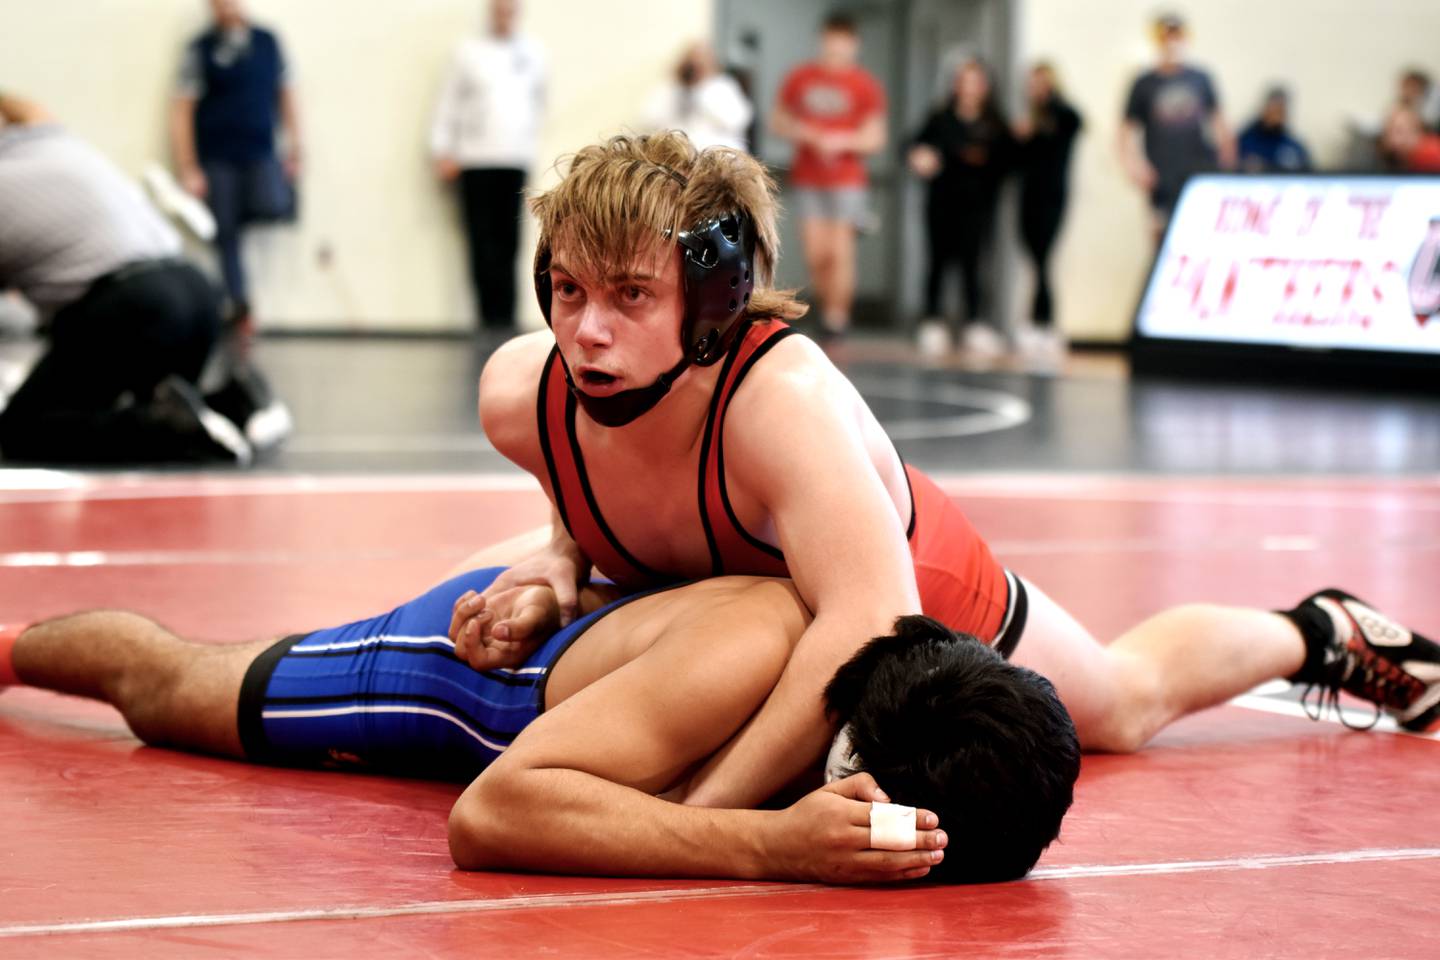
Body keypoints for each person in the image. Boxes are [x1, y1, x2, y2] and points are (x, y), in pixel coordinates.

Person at [457, 130, 1440, 818]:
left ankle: (1320, 632)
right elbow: (588, 478)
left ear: (718, 301)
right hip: (751, 592)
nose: (588, 328)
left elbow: (865, 617)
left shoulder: (779, 404)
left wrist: (709, 820)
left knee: (1123, 705)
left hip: (904, 580)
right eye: (570, 288)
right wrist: (558, 555)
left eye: (632, 294)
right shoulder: (521, 399)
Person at [0, 568, 1082, 885]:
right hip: (464, 684)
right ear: (859, 773)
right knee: (171, 688)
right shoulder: (749, 655)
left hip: (596, 682)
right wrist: (766, 844)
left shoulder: (929, 691)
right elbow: (494, 814)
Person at [0, 91, 254, 465]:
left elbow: (15, 320)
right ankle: (235, 404)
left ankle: (165, 428)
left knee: (25, 429)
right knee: (117, 395)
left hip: (135, 307)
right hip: (198, 292)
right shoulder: (52, 140)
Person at [171, 0, 302, 331]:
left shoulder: (268, 42)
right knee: (225, 234)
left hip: (260, 152)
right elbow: (182, 109)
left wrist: (296, 147)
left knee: (272, 203)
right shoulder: (200, 48)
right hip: (216, 157)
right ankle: (241, 307)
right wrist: (188, 166)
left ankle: (241, 226)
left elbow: (286, 94)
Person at [430, 0, 547, 332]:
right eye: (500, 8)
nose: (505, 14)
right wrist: (443, 150)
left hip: (513, 159)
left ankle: (506, 321)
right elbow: (448, 103)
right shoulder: (467, 52)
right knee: (481, 243)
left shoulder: (533, 54)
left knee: (510, 243)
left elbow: (538, 103)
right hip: (475, 160)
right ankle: (487, 319)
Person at [770, 13, 886, 340]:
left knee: (840, 251)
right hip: (809, 178)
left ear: (853, 45)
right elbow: (777, 121)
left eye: (842, 45)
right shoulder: (800, 78)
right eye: (830, 44)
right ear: (823, 41)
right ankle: (827, 306)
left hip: (847, 181)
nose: (836, 51)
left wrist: (842, 141)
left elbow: (875, 137)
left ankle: (838, 317)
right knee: (817, 254)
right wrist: (805, 132)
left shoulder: (865, 85)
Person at [907, 58, 1016, 358]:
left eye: (975, 81)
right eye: (963, 80)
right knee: (937, 263)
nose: (969, 88)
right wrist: (919, 156)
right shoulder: (940, 119)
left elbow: (1010, 161)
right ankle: (932, 321)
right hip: (942, 203)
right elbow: (914, 145)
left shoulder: (995, 124)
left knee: (974, 265)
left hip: (978, 207)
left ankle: (975, 324)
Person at [1118, 13, 1235, 247]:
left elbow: (1220, 121)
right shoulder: (1144, 83)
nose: (1172, 42)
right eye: (1166, 36)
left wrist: (1227, 158)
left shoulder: (1200, 78)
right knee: (1161, 235)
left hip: (1198, 168)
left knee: (1200, 232)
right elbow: (1125, 131)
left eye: (1177, 35)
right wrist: (1135, 166)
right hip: (1160, 173)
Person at [1013, 62, 1082, 364]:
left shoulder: (1062, 116)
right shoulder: (1027, 121)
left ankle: (1045, 323)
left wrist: (1039, 125)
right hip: (1029, 196)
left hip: (1053, 196)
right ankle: (1035, 322)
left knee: (1043, 258)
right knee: (1034, 257)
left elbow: (1075, 122)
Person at [642, 42, 753, 153]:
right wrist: (678, 85)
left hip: (718, 154)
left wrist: (701, 89)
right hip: (679, 154)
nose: (696, 66)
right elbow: (649, 118)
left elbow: (738, 120)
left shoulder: (723, 86)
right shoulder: (671, 88)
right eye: (692, 62)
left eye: (701, 60)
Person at [1237, 87, 1312, 173]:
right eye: (1274, 109)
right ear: (1264, 109)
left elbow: (1308, 173)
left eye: (1280, 111)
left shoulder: (1293, 147)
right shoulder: (1244, 143)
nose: (1276, 117)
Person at [1379, 105, 1440, 173]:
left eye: (1399, 131)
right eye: (1388, 131)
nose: (1392, 137)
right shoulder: (1390, 157)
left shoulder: (1431, 155)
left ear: (1416, 130)